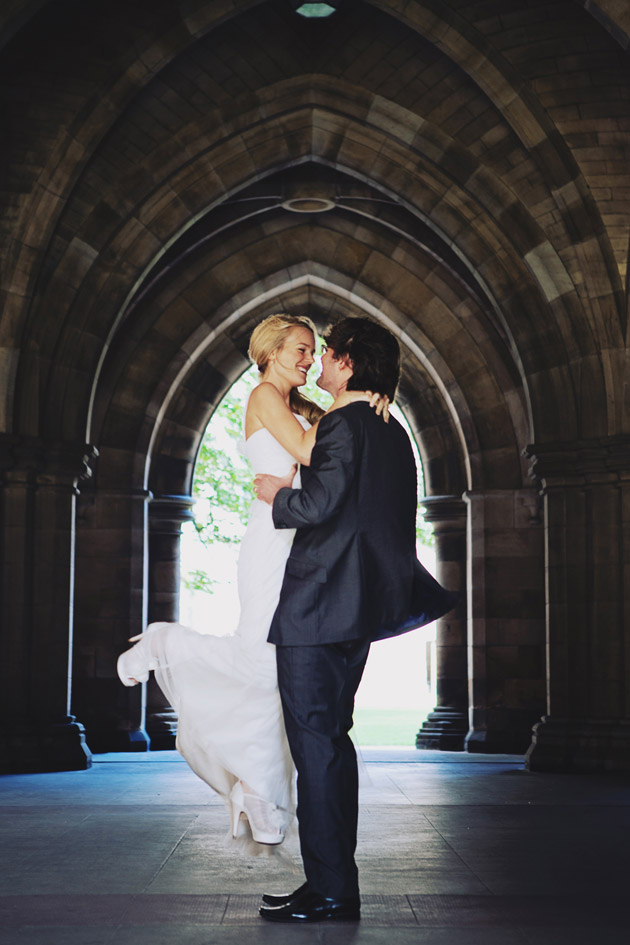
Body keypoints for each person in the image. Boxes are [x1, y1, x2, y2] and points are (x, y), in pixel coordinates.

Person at [116, 313, 378, 848]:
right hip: (271, 542)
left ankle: (258, 791)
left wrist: (364, 403)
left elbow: (327, 445)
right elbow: (311, 453)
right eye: (301, 350)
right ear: (273, 351)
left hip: (297, 541)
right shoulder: (262, 396)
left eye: (313, 352)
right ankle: (166, 642)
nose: (309, 359)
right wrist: (356, 402)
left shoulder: (298, 406)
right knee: (260, 659)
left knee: (280, 672)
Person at [254, 317, 458, 923]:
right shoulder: (391, 427)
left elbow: (319, 503)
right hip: (358, 611)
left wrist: (275, 497)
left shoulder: (344, 423)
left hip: (319, 609)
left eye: (325, 357)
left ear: (345, 361)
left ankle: (333, 890)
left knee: (317, 749)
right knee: (330, 745)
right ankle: (331, 882)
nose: (316, 365)